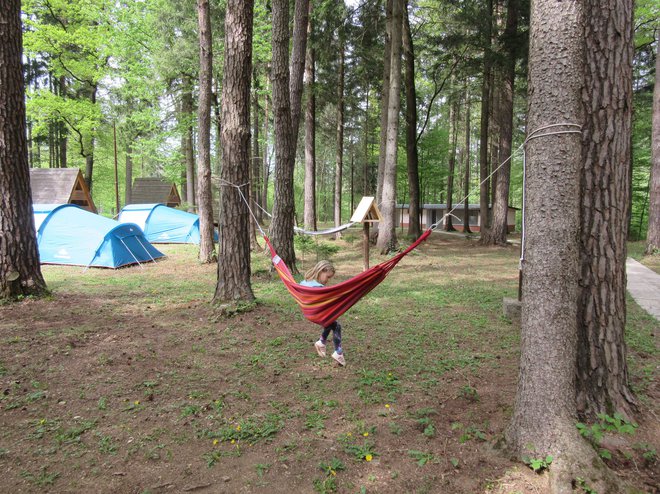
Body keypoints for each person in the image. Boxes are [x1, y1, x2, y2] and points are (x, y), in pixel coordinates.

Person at [300, 260, 346, 366]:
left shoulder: (304, 282)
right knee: (336, 326)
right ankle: (338, 352)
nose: (327, 281)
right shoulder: (319, 288)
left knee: (330, 322)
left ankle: (321, 342)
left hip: (309, 312)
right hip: (317, 313)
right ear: (322, 271)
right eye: (328, 277)